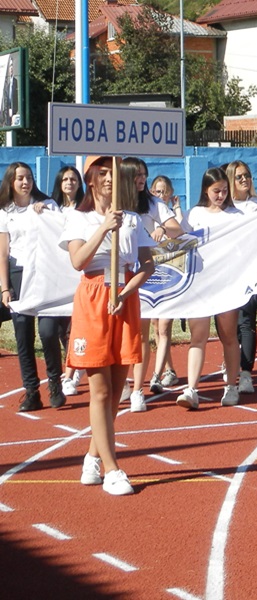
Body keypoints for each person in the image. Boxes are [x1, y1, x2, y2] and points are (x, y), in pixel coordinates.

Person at [61, 156, 155, 495]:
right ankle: (113, 468)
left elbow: (148, 264)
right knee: (98, 389)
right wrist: (103, 227)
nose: (109, 180)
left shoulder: (132, 218)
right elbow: (77, 261)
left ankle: (92, 456)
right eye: (102, 174)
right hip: (93, 297)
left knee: (116, 391)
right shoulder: (79, 217)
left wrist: (129, 288)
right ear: (90, 180)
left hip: (124, 297)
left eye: (113, 174)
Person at [0, 162, 66, 412]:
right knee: (22, 335)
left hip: (44, 273)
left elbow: (61, 230)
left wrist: (47, 213)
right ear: (11, 182)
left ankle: (55, 384)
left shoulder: (47, 205)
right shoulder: (5, 212)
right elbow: (3, 252)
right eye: (20, 178)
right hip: (18, 274)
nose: (25, 182)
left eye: (28, 177)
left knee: (48, 331)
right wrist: (5, 287)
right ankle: (31, 392)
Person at [120, 157, 184, 412]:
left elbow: (176, 229)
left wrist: (161, 230)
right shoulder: (115, 204)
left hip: (146, 276)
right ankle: (124, 382)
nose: (141, 179)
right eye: (136, 175)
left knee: (143, 334)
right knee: (124, 333)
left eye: (144, 175)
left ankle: (137, 389)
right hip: (119, 274)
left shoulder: (154, 204)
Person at [176, 168, 243, 410]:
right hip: (201, 283)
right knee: (198, 336)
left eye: (225, 191)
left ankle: (231, 386)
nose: (221, 195)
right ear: (206, 190)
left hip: (226, 284)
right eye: (216, 191)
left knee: (228, 336)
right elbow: (181, 241)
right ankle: (191, 389)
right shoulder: (195, 214)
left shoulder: (236, 215)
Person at [225, 161, 257, 394]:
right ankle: (230, 361)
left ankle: (246, 373)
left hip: (253, 274)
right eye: (239, 177)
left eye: (247, 176)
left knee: (246, 321)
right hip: (229, 274)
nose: (244, 180)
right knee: (227, 324)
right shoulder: (225, 208)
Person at [50, 165, 85, 397]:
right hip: (57, 276)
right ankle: (73, 362)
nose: (69, 183)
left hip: (79, 275)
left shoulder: (84, 210)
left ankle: (71, 373)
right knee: (60, 329)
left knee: (76, 327)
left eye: (73, 179)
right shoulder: (52, 209)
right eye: (65, 179)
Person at [146, 175, 182, 393]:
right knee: (155, 327)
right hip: (151, 276)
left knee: (164, 325)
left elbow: (184, 235)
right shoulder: (148, 213)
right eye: (157, 191)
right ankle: (169, 369)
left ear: (170, 195)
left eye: (164, 192)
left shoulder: (175, 217)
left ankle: (156, 375)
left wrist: (166, 230)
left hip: (171, 275)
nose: (160, 195)